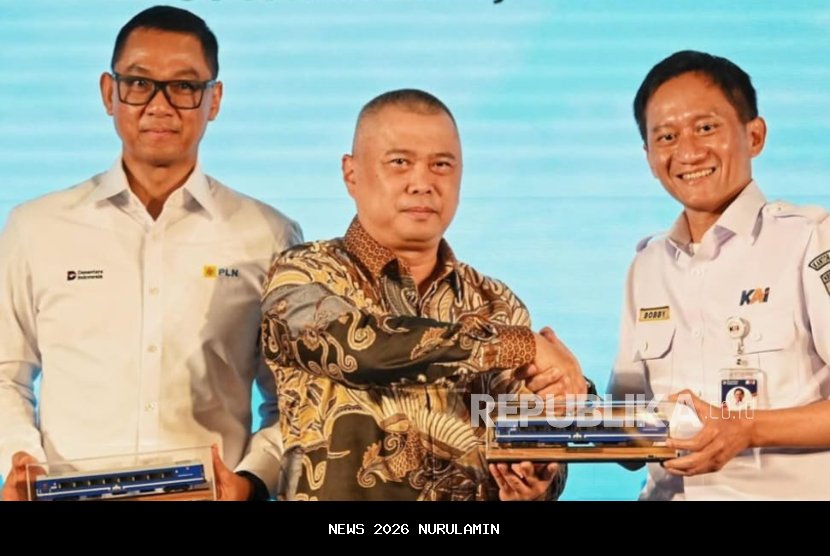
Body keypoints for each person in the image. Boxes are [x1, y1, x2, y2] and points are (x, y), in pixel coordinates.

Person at [0, 5, 302, 501]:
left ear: (214, 99)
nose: (160, 105)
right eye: (139, 83)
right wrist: (23, 463)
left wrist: (250, 482)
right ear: (108, 92)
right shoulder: (36, 227)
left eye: (184, 86)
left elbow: (294, 397)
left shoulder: (267, 235)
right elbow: (6, 375)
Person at [261, 89, 590, 501]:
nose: (422, 184)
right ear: (351, 173)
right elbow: (361, 350)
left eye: (441, 165)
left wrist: (539, 480)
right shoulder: (306, 273)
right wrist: (521, 345)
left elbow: (536, 436)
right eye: (400, 162)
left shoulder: (495, 302)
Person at [609, 50, 830, 500]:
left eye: (706, 128)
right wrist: (570, 386)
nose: (688, 152)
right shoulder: (647, 266)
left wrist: (748, 428)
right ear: (649, 157)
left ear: (755, 135)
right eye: (666, 136)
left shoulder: (810, 241)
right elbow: (628, 442)